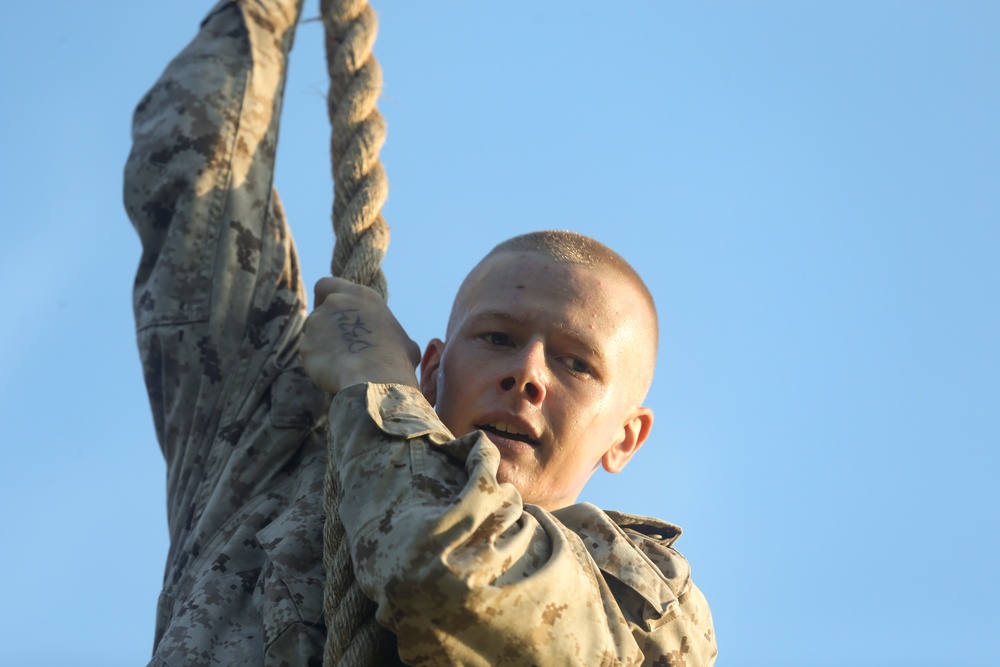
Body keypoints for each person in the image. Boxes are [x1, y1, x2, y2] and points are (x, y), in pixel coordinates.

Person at [124, 0, 716, 664]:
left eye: (576, 364)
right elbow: (195, 178)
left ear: (626, 436)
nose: (527, 372)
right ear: (432, 368)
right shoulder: (268, 454)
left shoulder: (650, 611)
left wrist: (377, 383)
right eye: (495, 337)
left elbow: (444, 573)